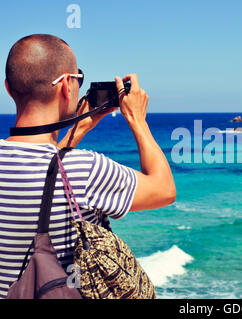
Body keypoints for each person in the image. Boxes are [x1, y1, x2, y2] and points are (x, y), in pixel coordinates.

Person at [0, 34, 176, 298]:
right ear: (66, 87)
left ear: (9, 88)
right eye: (77, 79)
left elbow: (40, 167)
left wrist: (78, 130)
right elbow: (164, 190)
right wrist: (137, 119)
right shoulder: (85, 169)